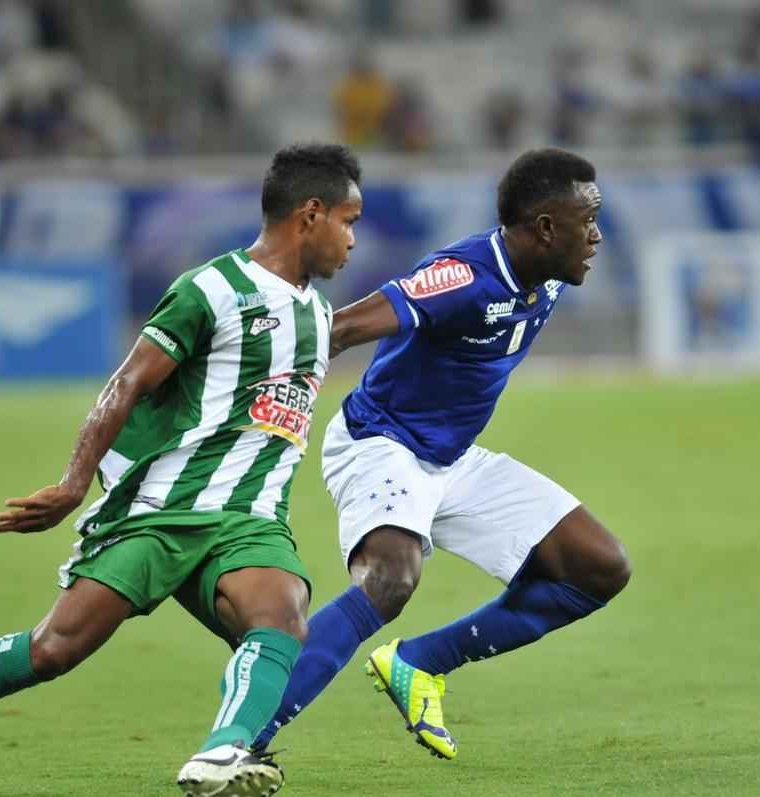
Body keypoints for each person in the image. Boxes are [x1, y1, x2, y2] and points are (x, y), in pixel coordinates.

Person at [0, 143, 363, 796]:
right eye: (348, 221)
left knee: (281, 614)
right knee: (53, 648)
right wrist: (74, 481)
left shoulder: (315, 314)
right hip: (160, 510)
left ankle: (223, 752)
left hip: (248, 519)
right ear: (310, 214)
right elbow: (126, 383)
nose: (352, 241)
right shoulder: (212, 288)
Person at [253, 148, 630, 759]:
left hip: (451, 458)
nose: (596, 235)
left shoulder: (549, 276)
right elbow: (340, 329)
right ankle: (245, 735)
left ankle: (418, 664)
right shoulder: (462, 275)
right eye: (586, 220)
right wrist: (253, 398)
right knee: (391, 579)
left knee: (599, 566)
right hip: (381, 443)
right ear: (543, 228)